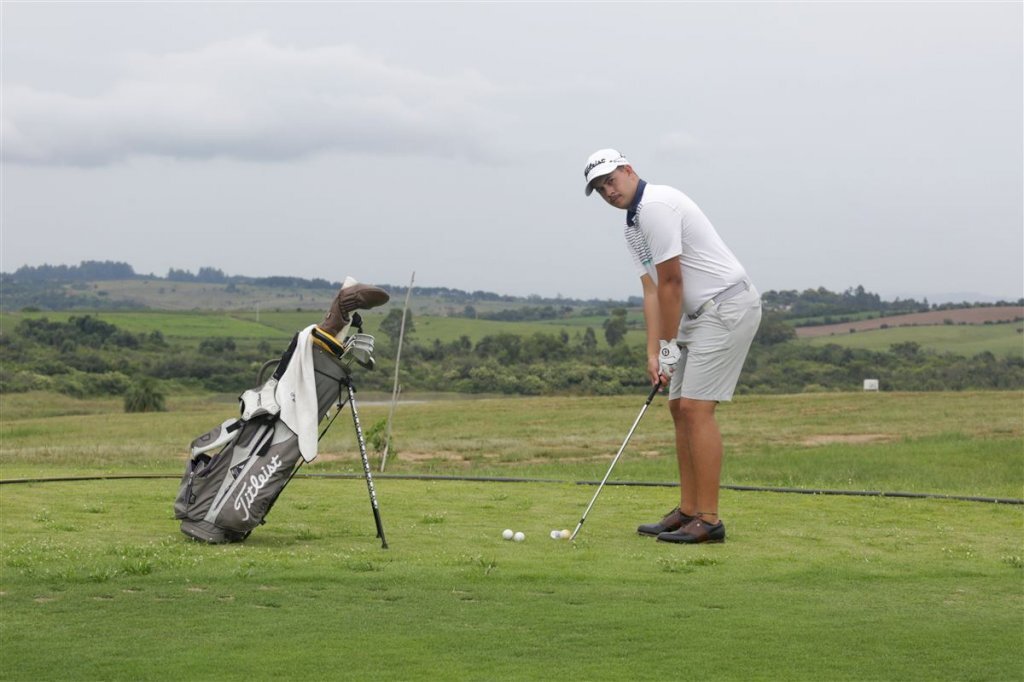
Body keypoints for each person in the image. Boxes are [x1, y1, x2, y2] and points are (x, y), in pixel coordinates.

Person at [583, 148, 761, 544]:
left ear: (629, 170)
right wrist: (654, 353)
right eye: (599, 188)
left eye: (611, 180)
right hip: (698, 317)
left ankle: (709, 519)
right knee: (679, 408)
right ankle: (688, 510)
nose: (608, 191)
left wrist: (668, 347)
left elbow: (672, 284)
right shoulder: (633, 227)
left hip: (726, 306)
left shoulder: (656, 207)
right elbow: (651, 292)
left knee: (697, 408)